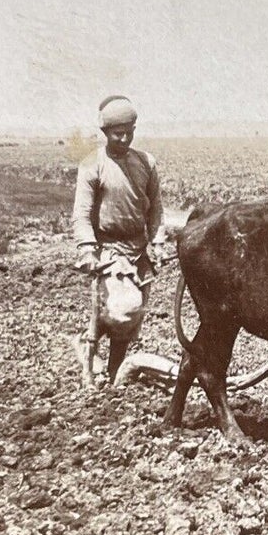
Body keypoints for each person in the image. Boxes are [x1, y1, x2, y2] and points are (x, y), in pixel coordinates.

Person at [71, 95, 164, 384]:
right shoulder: (92, 166)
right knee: (111, 310)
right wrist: (87, 249)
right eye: (117, 134)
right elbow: (82, 214)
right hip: (107, 248)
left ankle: (114, 373)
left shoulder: (145, 163)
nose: (124, 139)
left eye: (129, 132)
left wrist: (157, 241)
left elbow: (156, 208)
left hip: (138, 249)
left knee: (130, 316)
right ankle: (90, 363)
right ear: (105, 133)